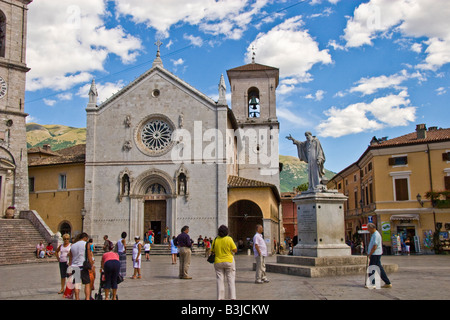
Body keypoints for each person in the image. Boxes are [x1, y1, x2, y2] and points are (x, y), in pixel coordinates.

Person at [211, 225, 237, 300]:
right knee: (231, 280)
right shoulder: (229, 239)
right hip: (229, 261)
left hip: (218, 262)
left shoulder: (215, 240)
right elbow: (235, 249)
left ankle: (220, 298)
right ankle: (232, 298)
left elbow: (212, 251)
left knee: (220, 280)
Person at [68, 232, 94, 300]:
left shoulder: (73, 245)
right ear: (85, 238)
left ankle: (77, 298)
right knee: (87, 283)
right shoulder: (86, 244)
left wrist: (70, 267)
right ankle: (87, 298)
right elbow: (89, 255)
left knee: (77, 284)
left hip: (74, 266)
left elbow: (70, 258)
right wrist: (91, 265)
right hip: (83, 266)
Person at [366, 223, 392, 289]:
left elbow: (375, 246)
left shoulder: (376, 235)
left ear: (372, 228)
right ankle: (387, 282)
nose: (368, 230)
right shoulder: (373, 235)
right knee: (379, 269)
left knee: (371, 268)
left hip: (375, 254)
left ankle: (372, 284)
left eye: (368, 228)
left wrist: (370, 253)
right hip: (375, 254)